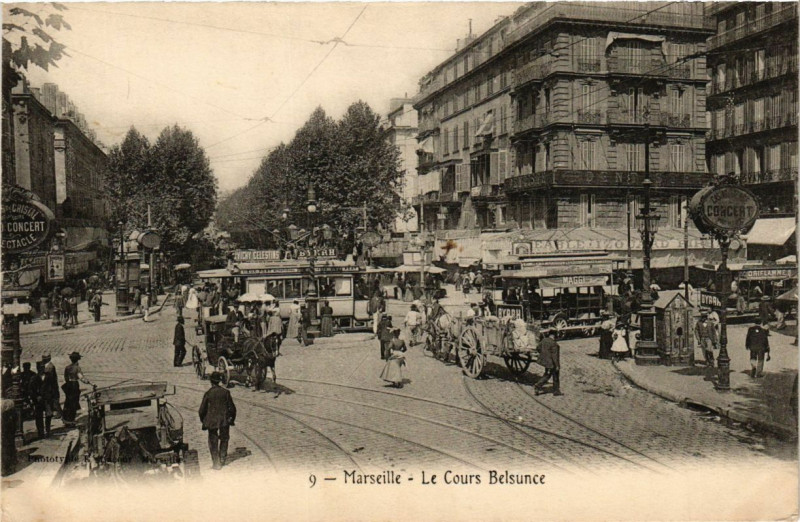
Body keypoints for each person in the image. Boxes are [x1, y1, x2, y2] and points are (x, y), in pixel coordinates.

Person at [198, 371, 237, 470]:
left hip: (212, 421)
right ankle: (222, 458)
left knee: (213, 442)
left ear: (211, 382)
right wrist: (231, 419)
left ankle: (216, 463)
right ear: (219, 381)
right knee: (224, 438)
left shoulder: (208, 393)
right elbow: (232, 408)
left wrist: (204, 421)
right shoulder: (226, 392)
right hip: (224, 420)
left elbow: (201, 410)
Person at [62, 351, 90, 424]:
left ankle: (66, 418)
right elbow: (81, 377)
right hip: (74, 385)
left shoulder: (67, 367)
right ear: (77, 360)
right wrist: (88, 382)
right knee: (74, 402)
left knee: (68, 401)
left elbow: (65, 377)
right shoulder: (77, 368)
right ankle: (71, 419)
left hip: (68, 385)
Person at [534, 330, 562, 396]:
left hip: (545, 361)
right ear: (554, 336)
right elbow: (555, 356)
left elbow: (538, 348)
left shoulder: (544, 340)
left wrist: (543, 354)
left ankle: (556, 390)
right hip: (551, 363)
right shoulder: (554, 344)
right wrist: (557, 366)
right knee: (549, 376)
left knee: (552, 375)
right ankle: (538, 385)